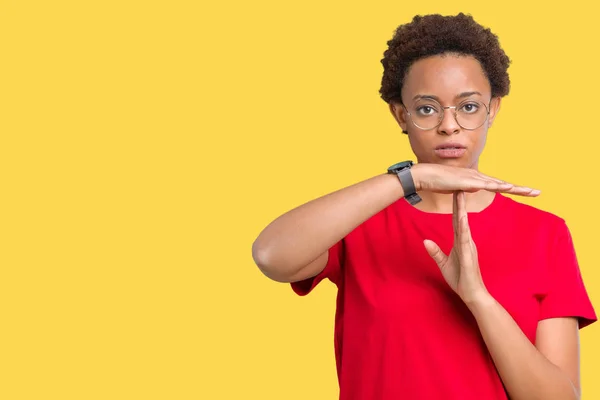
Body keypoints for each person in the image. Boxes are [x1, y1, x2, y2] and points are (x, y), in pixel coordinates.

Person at [251, 13, 597, 400]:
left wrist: (478, 298)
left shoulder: (544, 234)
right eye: (428, 108)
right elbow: (270, 255)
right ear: (402, 115)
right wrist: (410, 179)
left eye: (468, 107)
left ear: (492, 110)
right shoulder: (360, 221)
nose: (449, 126)